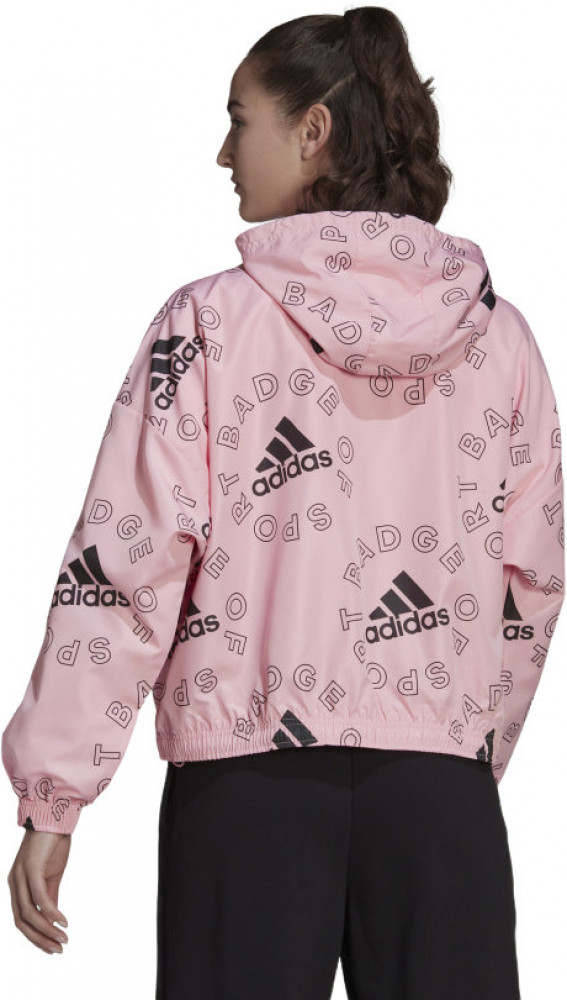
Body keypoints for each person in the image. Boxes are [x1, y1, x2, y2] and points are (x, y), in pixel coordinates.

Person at [3, 7, 564, 999]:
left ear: (313, 131)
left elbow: (123, 566)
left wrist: (57, 794)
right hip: (439, 799)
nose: (223, 153)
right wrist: (459, 742)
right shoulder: (501, 340)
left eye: (238, 120)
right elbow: (535, 580)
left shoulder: (206, 325)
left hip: (247, 793)